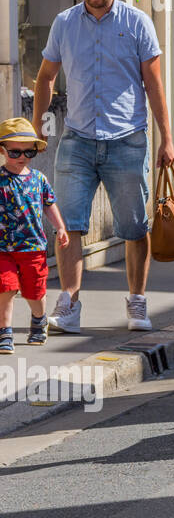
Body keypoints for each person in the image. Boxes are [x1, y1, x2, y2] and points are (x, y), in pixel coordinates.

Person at [31, 0, 174, 334]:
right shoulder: (64, 23)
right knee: (68, 225)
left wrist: (167, 139)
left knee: (133, 227)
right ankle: (69, 304)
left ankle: (137, 302)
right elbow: (45, 77)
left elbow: (154, 85)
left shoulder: (138, 22)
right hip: (76, 140)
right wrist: (37, 129)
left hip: (127, 140)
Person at [0, 118, 69, 352]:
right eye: (14, 152)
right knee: (6, 287)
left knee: (35, 290)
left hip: (33, 247)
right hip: (3, 248)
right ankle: (4, 331)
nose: (21, 156)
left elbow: (49, 204)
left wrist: (59, 227)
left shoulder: (39, 179)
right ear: (2, 150)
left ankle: (39, 321)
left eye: (28, 151)